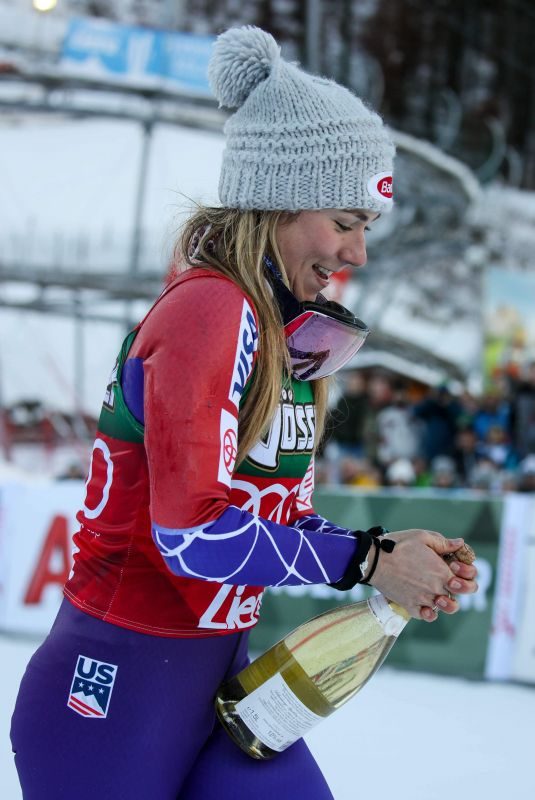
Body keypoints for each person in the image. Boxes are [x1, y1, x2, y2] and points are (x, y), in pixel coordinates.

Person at [10, 26, 478, 800]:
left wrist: (388, 551)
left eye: (365, 229)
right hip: (116, 688)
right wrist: (363, 561)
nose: (356, 255)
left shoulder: (280, 332)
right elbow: (191, 536)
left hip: (220, 684)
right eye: (344, 222)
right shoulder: (208, 313)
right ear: (278, 201)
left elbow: (270, 520)